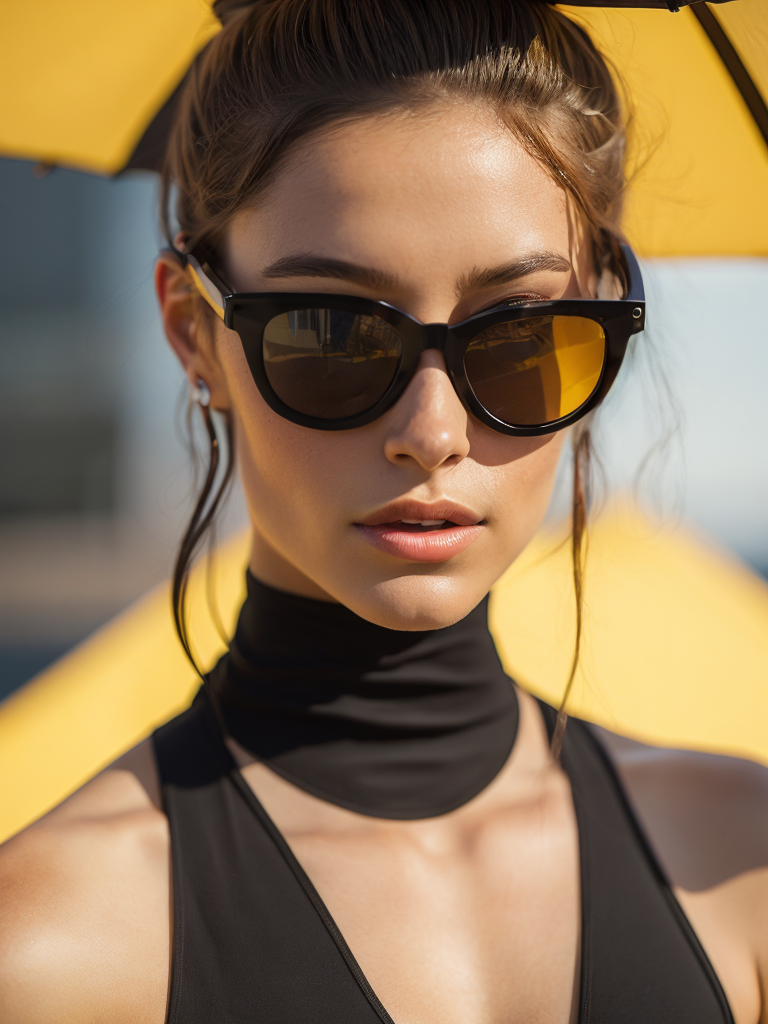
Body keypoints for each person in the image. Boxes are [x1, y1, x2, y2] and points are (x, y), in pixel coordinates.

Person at [1, 1, 767, 1021]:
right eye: (334, 334)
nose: (432, 430)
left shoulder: (740, 864)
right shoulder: (51, 948)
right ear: (193, 332)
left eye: (521, 337)